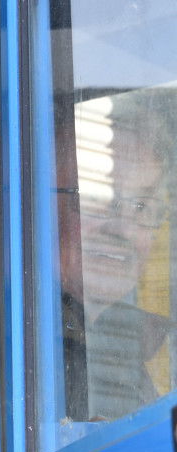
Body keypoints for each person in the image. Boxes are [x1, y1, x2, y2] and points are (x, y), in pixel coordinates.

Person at [64, 92, 174, 421]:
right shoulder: (17, 347)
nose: (123, 228)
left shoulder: (142, 357)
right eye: (105, 196)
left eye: (141, 207)